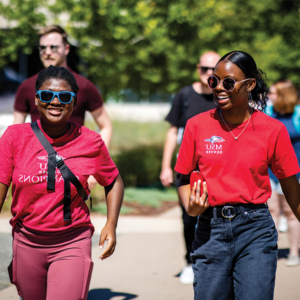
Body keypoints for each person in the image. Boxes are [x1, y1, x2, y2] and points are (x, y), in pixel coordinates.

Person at [175, 51, 300, 300]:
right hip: (210, 230)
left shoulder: (272, 129)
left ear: (250, 84)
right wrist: (191, 207)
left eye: (228, 82)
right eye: (214, 81)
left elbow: (290, 185)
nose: (219, 88)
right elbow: (184, 179)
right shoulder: (196, 125)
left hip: (256, 229)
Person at [0, 66, 124, 300]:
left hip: (72, 240)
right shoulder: (14, 137)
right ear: (36, 100)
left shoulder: (91, 141)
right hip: (26, 240)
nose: (55, 102)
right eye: (47, 95)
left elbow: (113, 180)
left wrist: (111, 224)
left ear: (75, 103)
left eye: (64, 96)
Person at [13, 25, 113, 190]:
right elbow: (16, 131)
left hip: (73, 168)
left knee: (73, 215)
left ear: (66, 49)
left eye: (53, 47)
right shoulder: (27, 86)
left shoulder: (84, 86)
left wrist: (95, 166)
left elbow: (106, 126)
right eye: (43, 48)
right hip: (35, 168)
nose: (47, 52)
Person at [160, 51, 220, 284]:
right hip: (188, 169)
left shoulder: (222, 96)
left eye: (214, 69)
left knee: (214, 215)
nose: (209, 74)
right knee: (188, 217)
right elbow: (172, 131)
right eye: (205, 69)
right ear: (198, 69)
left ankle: (212, 260)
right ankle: (189, 262)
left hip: (216, 169)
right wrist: (166, 166)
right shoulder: (184, 95)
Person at [266, 80, 300, 266]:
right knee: (272, 211)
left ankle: (294, 252)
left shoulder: (298, 115)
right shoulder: (269, 114)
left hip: (296, 172)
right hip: (270, 173)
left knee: (292, 212)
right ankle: (272, 251)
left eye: (273, 93)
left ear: (284, 95)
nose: (269, 96)